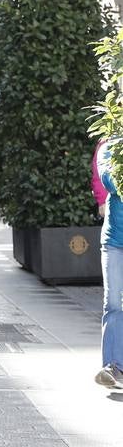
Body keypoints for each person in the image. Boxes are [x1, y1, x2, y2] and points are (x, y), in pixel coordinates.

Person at [96, 139, 123, 388]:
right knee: (113, 301)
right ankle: (113, 365)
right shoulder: (110, 146)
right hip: (115, 241)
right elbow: (110, 181)